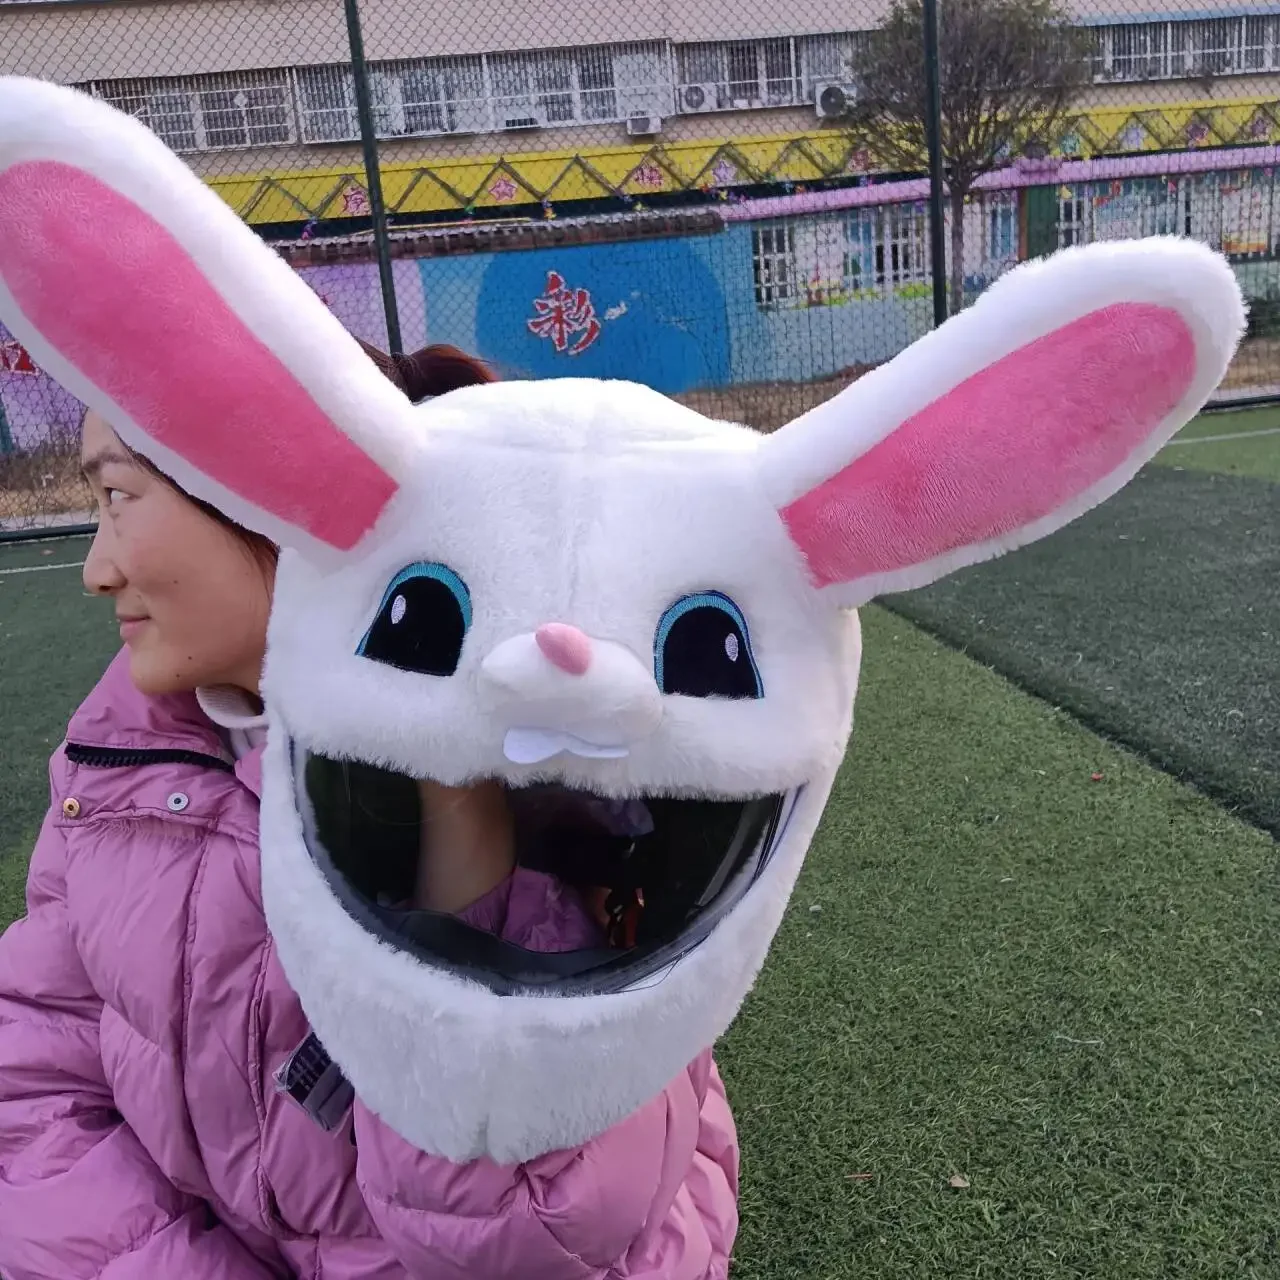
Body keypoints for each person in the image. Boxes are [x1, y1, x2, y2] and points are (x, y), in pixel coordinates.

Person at [0, 340, 739, 1280]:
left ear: (275, 506)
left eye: (117, 497)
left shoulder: (563, 785)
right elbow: (33, 1077)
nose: (95, 570)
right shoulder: (118, 755)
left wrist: (456, 829)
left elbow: (533, 1239)